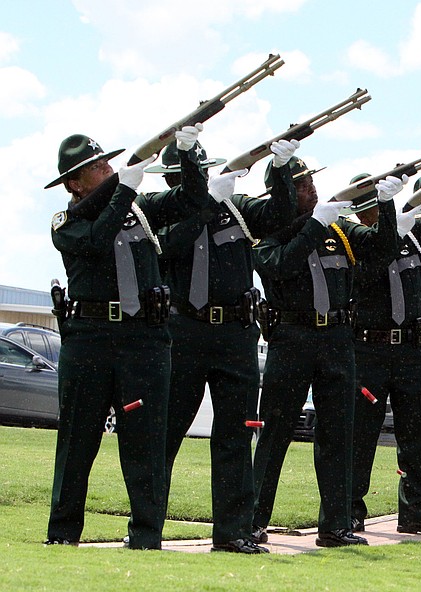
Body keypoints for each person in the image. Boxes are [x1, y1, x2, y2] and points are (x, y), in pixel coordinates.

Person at [44, 127, 208, 548]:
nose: (110, 170)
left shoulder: (141, 209)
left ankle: (146, 536)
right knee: (78, 439)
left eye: (107, 163)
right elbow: (98, 239)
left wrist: (187, 156)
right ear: (75, 184)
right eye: (98, 168)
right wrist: (124, 190)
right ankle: (62, 535)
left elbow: (191, 201)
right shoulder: (66, 223)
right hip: (90, 339)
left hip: (143, 339)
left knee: (146, 442)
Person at [150, 138, 301, 554]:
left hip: (235, 333)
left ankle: (234, 530)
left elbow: (281, 214)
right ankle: (147, 527)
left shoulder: (235, 208)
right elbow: (165, 250)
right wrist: (200, 205)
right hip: (184, 331)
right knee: (165, 434)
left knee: (235, 435)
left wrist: (281, 168)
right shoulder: (161, 211)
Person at [251, 159, 403, 547]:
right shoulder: (268, 231)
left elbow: (383, 248)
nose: (311, 190)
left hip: (336, 338)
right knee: (275, 433)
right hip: (292, 336)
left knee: (338, 434)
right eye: (301, 185)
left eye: (311, 182)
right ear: (281, 192)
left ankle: (336, 525)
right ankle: (252, 520)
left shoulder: (338, 228)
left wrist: (386, 204)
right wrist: (314, 224)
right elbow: (280, 267)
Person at [347, 171, 421, 537]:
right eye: (373, 213)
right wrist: (388, 226)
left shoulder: (411, 238)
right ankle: (350, 510)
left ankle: (417, 510)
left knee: (419, 435)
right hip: (371, 348)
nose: (378, 219)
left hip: (414, 350)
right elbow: (365, 277)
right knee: (361, 436)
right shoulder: (354, 241)